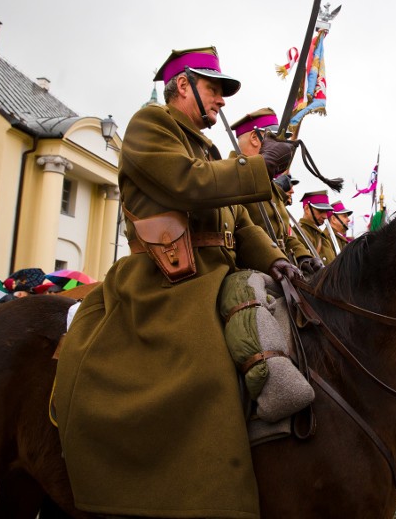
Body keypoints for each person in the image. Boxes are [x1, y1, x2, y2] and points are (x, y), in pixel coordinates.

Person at [53, 46, 300, 518]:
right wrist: (261, 166)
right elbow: (187, 183)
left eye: (224, 92)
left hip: (217, 275)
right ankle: (190, 496)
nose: (222, 101)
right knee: (205, 362)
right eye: (215, 89)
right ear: (183, 86)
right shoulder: (151, 126)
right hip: (165, 281)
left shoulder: (206, 148)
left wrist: (276, 262)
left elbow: (239, 225)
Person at [230, 108, 322, 275]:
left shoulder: (269, 184)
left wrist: (303, 257)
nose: (283, 145)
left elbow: (284, 234)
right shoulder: (232, 176)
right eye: (276, 139)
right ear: (254, 138)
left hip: (282, 267)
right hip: (252, 270)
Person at [298, 190, 337, 265]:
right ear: (307, 209)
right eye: (321, 211)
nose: (325, 216)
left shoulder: (321, 235)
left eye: (326, 212)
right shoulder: (300, 232)